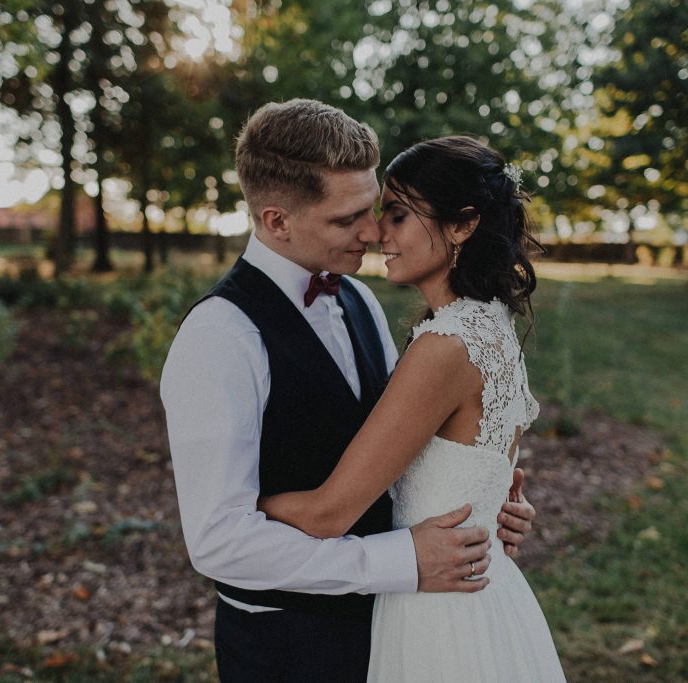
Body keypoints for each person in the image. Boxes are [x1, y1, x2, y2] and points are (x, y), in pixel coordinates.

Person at [161, 100, 537, 682]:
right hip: (290, 645)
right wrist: (398, 561)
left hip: (400, 623)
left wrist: (483, 506)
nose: (371, 232)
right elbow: (218, 544)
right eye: (347, 220)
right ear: (276, 220)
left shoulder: (359, 302)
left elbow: (404, 446)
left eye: (376, 210)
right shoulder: (220, 337)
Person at [258, 135, 566, 681]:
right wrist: (501, 506)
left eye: (398, 216)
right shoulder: (491, 325)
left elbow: (330, 513)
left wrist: (239, 506)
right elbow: (485, 467)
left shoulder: (443, 347)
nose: (377, 233)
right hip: (486, 597)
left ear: (462, 225)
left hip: (438, 613)